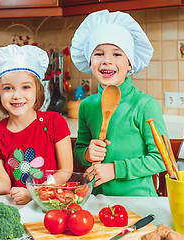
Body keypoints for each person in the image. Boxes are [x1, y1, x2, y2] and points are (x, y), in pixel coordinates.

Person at [71, 10, 167, 197]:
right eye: (98, 54)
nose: (107, 61)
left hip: (139, 201)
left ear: (130, 62)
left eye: (117, 54)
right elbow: (79, 152)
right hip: (97, 200)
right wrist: (87, 154)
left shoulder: (145, 105)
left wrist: (116, 169)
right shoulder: (87, 105)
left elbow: (161, 160)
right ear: (89, 61)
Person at [0, 44, 73, 205]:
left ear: (38, 91)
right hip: (17, 207)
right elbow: (5, 184)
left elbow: (65, 171)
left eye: (26, 87)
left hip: (50, 204)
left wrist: (35, 192)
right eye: (8, 88)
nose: (17, 95)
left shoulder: (54, 122)